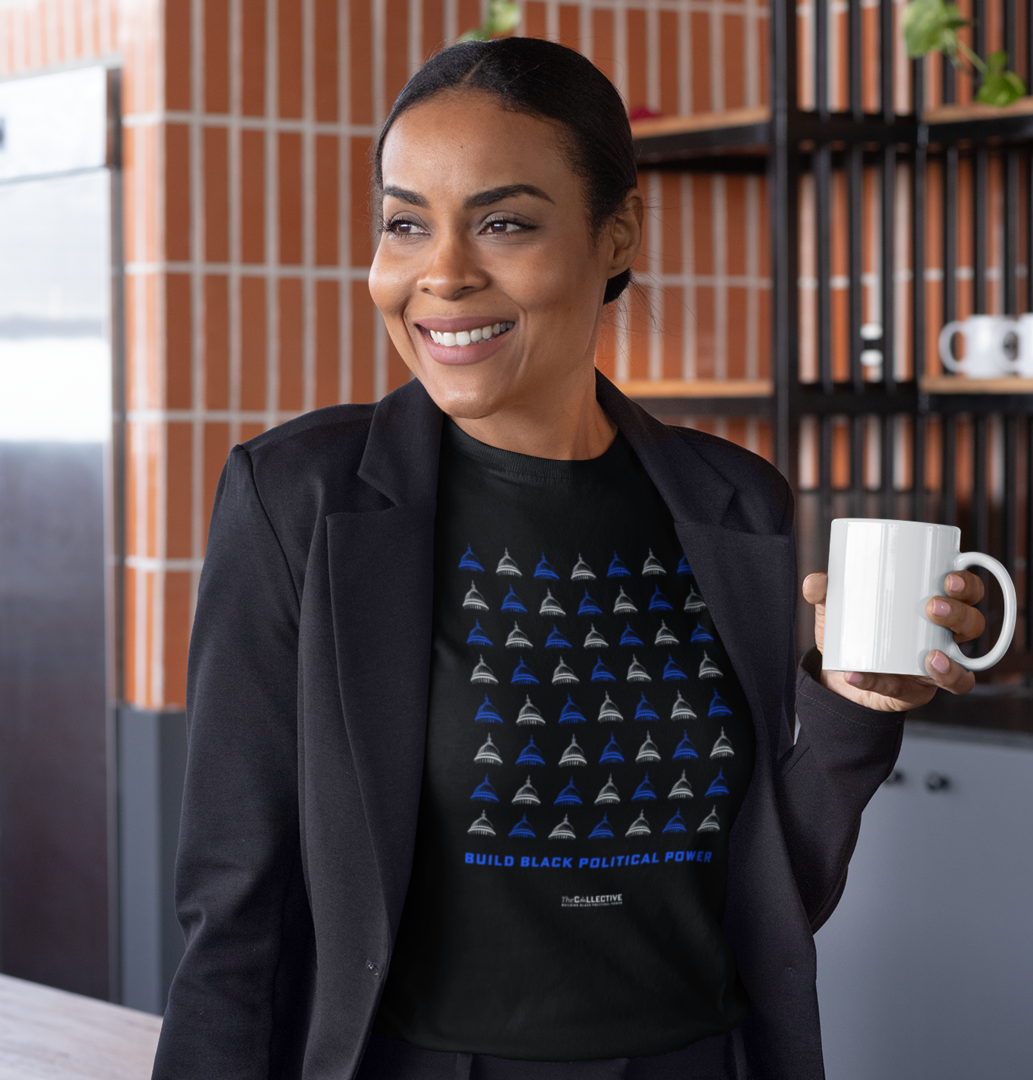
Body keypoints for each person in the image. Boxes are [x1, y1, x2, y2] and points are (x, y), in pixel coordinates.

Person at [150, 36, 984, 1080]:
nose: (442, 273)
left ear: (616, 231)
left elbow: (773, 897)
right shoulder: (298, 500)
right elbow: (235, 909)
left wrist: (856, 708)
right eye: (406, 224)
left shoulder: (734, 503)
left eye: (504, 223)